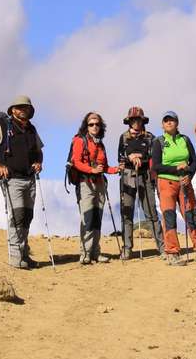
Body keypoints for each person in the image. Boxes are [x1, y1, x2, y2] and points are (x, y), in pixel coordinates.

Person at [0, 95, 44, 270]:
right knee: (16, 217)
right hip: (11, 179)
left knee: (26, 217)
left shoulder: (31, 129)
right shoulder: (1, 127)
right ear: (13, 110)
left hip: (29, 178)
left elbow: (39, 151)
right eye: (20, 107)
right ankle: (16, 258)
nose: (24, 110)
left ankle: (24, 254)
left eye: (26, 108)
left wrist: (39, 163)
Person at [151, 111, 196, 266]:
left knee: (192, 215)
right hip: (166, 183)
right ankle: (172, 253)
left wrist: (189, 173)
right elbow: (156, 166)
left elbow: (194, 161)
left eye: (172, 120)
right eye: (166, 120)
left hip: (185, 183)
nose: (169, 123)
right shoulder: (159, 142)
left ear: (177, 123)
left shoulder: (185, 139)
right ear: (162, 124)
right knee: (169, 218)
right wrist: (176, 168)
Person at [70, 112, 120, 265]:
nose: (94, 126)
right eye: (91, 124)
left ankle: (95, 252)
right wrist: (92, 170)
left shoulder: (100, 144)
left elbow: (103, 167)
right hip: (85, 183)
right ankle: (85, 253)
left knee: (97, 217)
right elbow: (76, 162)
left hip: (99, 184)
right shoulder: (79, 140)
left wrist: (115, 169)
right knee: (88, 217)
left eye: (97, 124)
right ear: (86, 126)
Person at [117, 107, 164, 260]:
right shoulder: (123, 137)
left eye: (138, 120)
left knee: (151, 212)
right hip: (127, 176)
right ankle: (127, 249)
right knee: (127, 213)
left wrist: (140, 158)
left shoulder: (151, 138)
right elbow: (120, 156)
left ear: (143, 121)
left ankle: (162, 246)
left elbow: (154, 155)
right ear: (129, 121)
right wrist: (130, 157)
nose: (136, 122)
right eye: (133, 120)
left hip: (146, 176)